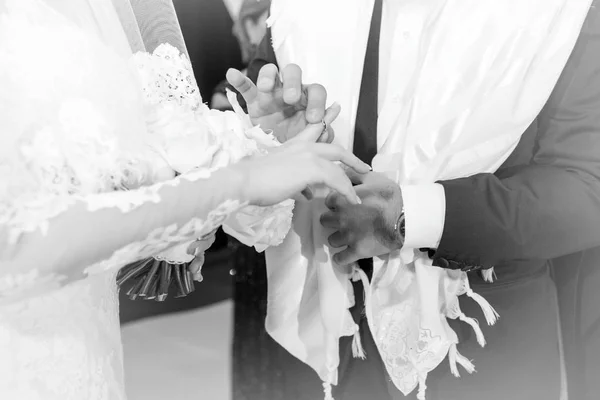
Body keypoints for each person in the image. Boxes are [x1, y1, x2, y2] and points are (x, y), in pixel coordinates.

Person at [227, 0, 600, 399]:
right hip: (323, 345)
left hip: (483, 346)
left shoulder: (565, 10)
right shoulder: (299, 9)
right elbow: (261, 148)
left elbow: (586, 185)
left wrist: (411, 216)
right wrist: (271, 146)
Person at [0, 0, 370, 399]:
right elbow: (16, 247)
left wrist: (258, 142)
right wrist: (239, 181)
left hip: (85, 355)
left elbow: (141, 174)